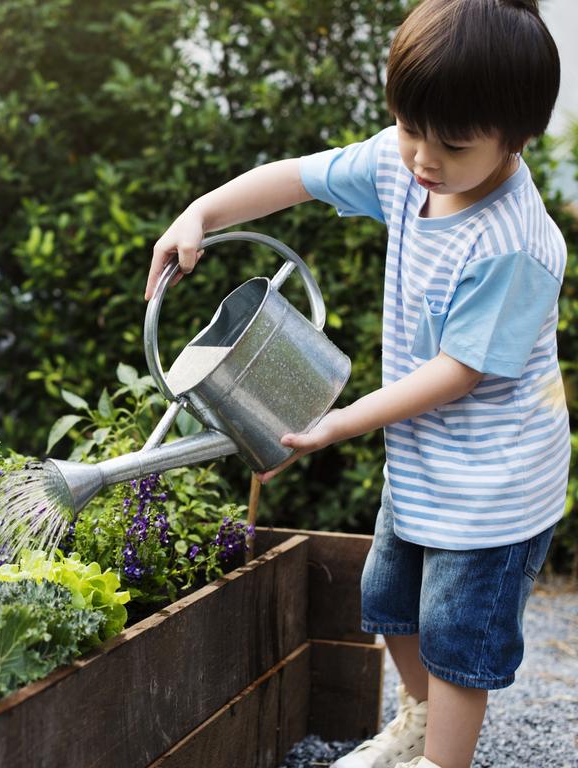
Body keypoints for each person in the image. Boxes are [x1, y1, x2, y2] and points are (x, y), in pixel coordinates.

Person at [144, 1, 567, 767]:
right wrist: (200, 212)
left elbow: (457, 372)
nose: (422, 159)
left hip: (496, 484)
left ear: (517, 138)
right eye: (409, 129)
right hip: (425, 460)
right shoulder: (407, 167)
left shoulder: (516, 244)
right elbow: (298, 178)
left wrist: (340, 422)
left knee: (454, 636)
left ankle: (444, 759)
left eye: (452, 145)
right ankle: (417, 720)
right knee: (392, 600)